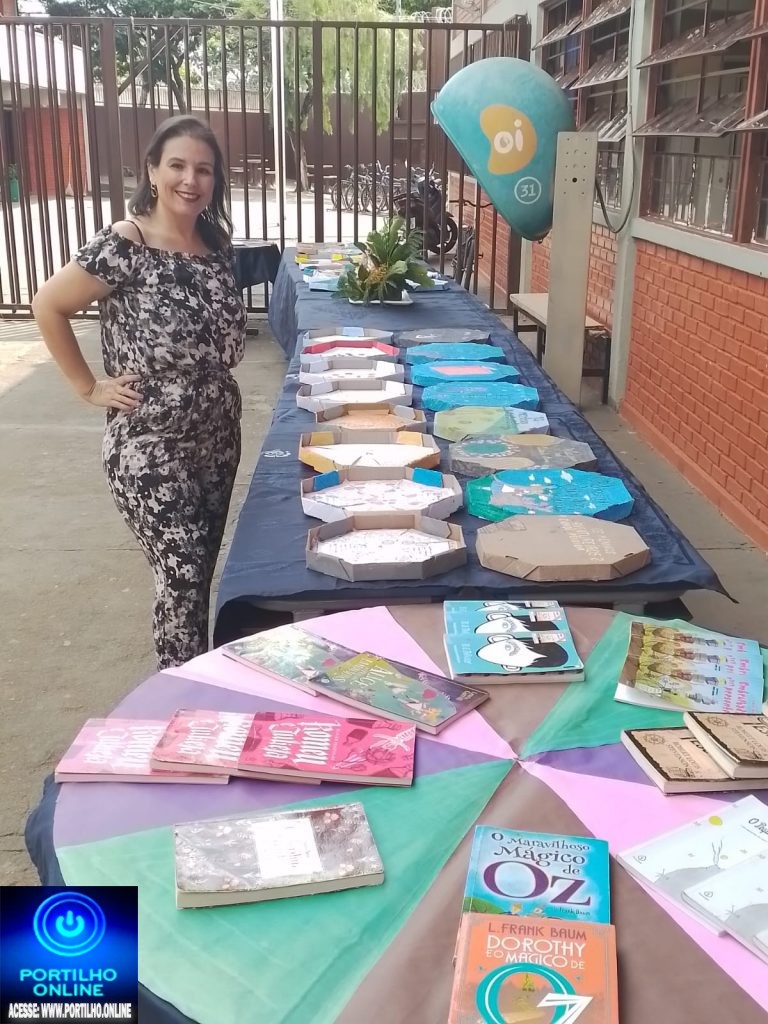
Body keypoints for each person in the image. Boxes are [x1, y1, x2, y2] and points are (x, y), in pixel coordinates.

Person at [32, 115, 246, 669]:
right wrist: (88, 387)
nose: (190, 180)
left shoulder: (216, 245)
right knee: (181, 573)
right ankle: (179, 695)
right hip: (149, 441)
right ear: (152, 171)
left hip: (217, 434)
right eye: (177, 165)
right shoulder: (127, 243)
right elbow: (48, 304)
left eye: (204, 169)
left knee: (198, 572)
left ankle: (199, 679)